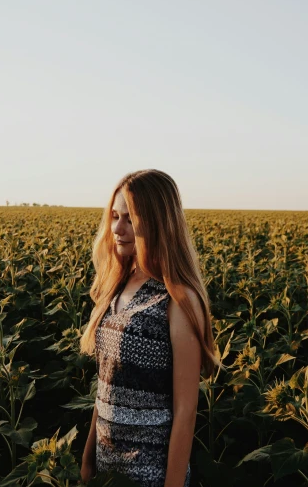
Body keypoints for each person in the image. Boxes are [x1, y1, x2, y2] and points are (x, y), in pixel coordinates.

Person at [78, 169, 221, 487]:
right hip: (106, 467)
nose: (117, 228)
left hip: (150, 473)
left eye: (130, 218)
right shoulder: (116, 285)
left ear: (157, 221)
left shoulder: (178, 298)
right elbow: (105, 385)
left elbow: (186, 411)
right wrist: (88, 459)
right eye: (114, 216)